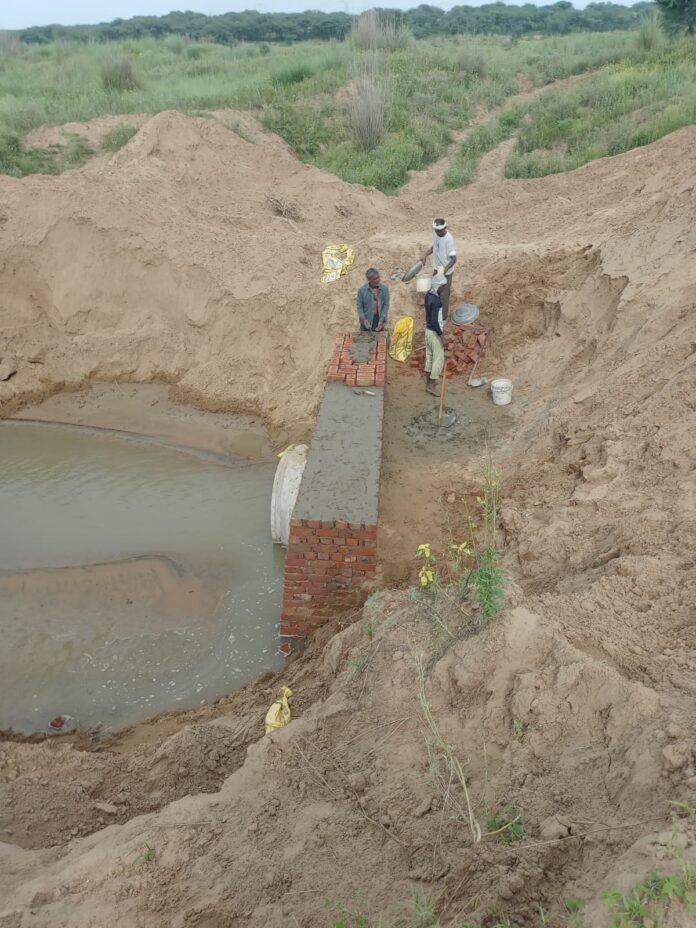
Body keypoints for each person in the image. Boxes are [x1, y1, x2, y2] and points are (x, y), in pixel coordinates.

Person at [420, 218, 456, 320]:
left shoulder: (449, 239)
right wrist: (425, 255)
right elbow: (434, 247)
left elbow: (454, 259)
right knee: (434, 291)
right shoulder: (435, 233)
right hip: (437, 268)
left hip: (446, 272)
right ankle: (434, 311)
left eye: (440, 231)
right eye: (436, 230)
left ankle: (443, 318)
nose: (438, 233)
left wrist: (445, 269)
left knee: (444, 295)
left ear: (445, 228)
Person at [424, 274, 446, 397]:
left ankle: (428, 383)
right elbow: (434, 320)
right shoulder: (436, 300)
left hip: (427, 330)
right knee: (438, 359)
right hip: (434, 332)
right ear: (438, 286)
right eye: (442, 286)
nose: (443, 289)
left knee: (429, 357)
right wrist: (441, 335)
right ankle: (432, 386)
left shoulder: (428, 295)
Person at [356, 267, 389, 332]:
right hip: (366, 320)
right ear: (369, 280)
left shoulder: (384, 289)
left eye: (378, 277)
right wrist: (363, 319)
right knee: (365, 340)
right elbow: (359, 306)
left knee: (379, 340)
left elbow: (386, 305)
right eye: (374, 279)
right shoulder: (362, 290)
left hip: (379, 320)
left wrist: (382, 320)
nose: (377, 280)